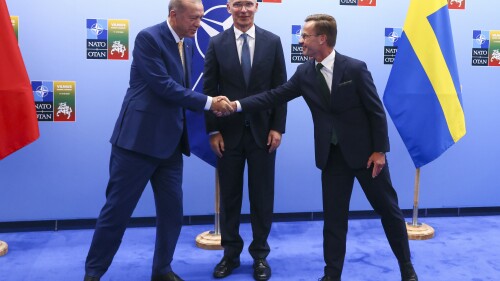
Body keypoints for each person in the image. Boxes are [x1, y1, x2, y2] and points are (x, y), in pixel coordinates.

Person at [226, 14, 418, 281]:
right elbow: (274, 96)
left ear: (322, 38)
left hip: (367, 156)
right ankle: (332, 275)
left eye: (305, 36)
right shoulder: (304, 72)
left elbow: (376, 112)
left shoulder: (354, 68)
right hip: (332, 158)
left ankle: (406, 267)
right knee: (334, 221)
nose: (301, 40)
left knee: (389, 211)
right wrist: (237, 106)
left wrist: (379, 151)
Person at [83, 1, 234, 281]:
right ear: (173, 15)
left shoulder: (189, 45)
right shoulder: (148, 38)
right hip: (137, 144)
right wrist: (210, 102)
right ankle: (93, 273)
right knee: (117, 213)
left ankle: (162, 270)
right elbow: (164, 87)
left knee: (172, 213)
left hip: (171, 146)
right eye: (193, 18)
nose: (198, 24)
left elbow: (181, 91)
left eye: (201, 18)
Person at [203, 0, 287, 280]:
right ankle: (230, 255)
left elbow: (280, 89)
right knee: (230, 197)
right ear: (228, 8)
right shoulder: (216, 43)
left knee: (262, 197)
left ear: (256, 7)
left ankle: (260, 256)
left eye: (249, 4)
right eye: (238, 4)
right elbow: (208, 90)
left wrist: (278, 128)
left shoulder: (273, 42)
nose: (243, 9)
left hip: (264, 134)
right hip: (228, 135)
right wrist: (212, 131)